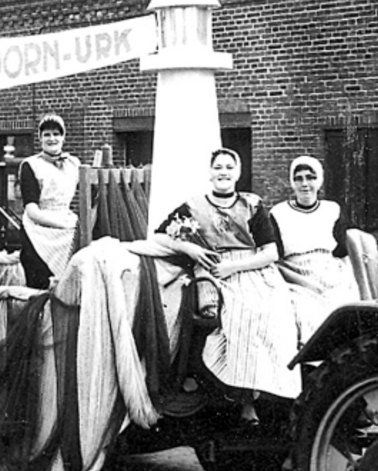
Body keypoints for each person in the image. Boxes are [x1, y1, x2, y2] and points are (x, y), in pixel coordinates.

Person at [153, 147, 300, 424]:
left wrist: (233, 267)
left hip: (251, 267)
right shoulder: (194, 206)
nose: (223, 172)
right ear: (210, 173)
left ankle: (267, 390)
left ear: (238, 173)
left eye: (229, 167)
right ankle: (241, 396)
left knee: (275, 312)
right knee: (238, 313)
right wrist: (189, 248)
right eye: (218, 167)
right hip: (213, 268)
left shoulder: (251, 204)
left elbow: (271, 253)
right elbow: (159, 236)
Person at [270, 155, 359, 345]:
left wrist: (351, 284)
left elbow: (342, 254)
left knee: (344, 311)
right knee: (305, 312)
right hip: (294, 277)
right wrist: (305, 283)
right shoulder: (278, 213)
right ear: (292, 182)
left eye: (310, 178)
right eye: (298, 178)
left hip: (331, 274)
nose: (305, 184)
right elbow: (274, 262)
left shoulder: (332, 210)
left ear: (319, 181)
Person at [17, 113, 80, 289]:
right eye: (47, 135)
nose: (52, 139)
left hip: (66, 221)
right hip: (38, 229)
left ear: (63, 137)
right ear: (40, 138)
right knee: (40, 284)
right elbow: (32, 211)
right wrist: (64, 225)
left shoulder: (74, 164)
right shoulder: (31, 165)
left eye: (56, 134)